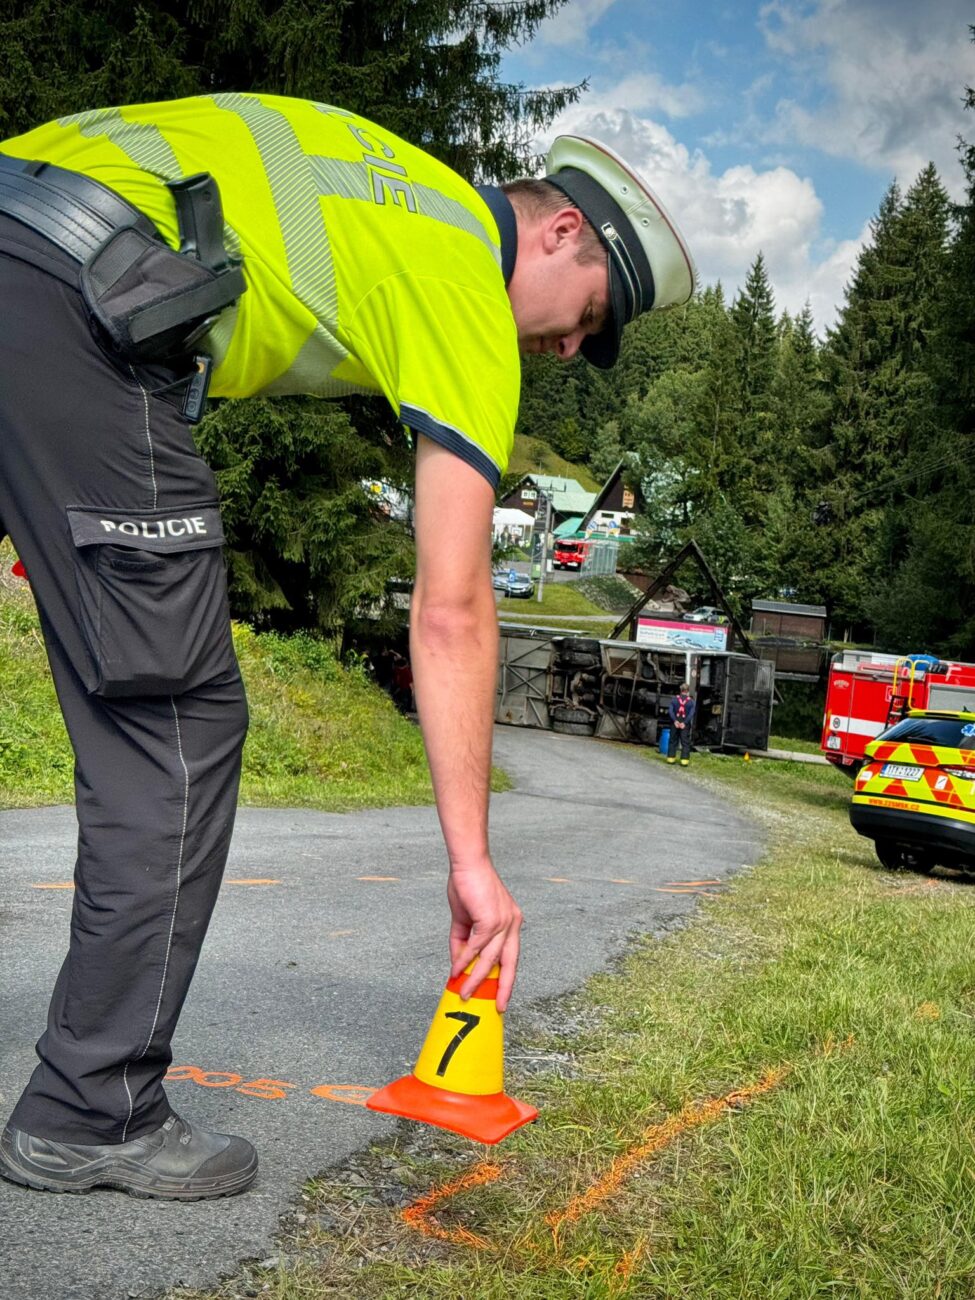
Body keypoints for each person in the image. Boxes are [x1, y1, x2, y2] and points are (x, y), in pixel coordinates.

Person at [0, 93, 696, 1199]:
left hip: (24, 227)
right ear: (561, 230)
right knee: (178, 729)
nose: (570, 348)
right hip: (74, 297)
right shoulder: (464, 283)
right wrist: (471, 860)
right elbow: (452, 607)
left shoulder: (397, 180)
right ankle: (93, 1111)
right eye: (590, 316)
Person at [667, 683, 696, 766]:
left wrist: (675, 721)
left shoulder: (674, 699)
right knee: (685, 742)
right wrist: (684, 723)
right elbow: (691, 714)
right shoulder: (691, 702)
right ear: (688, 691)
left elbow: (670, 711)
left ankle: (671, 759)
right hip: (685, 725)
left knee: (673, 741)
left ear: (680, 690)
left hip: (675, 724)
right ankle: (684, 761)